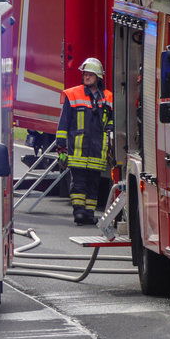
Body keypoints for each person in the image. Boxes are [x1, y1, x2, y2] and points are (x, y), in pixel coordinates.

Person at [56, 57, 114, 225]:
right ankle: (79, 211)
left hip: (98, 150)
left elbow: (111, 120)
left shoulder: (108, 97)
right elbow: (63, 123)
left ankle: (89, 213)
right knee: (79, 183)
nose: (86, 77)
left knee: (93, 184)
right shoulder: (72, 94)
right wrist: (61, 148)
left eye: (90, 75)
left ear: (98, 78)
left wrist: (110, 134)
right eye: (85, 74)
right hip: (78, 149)